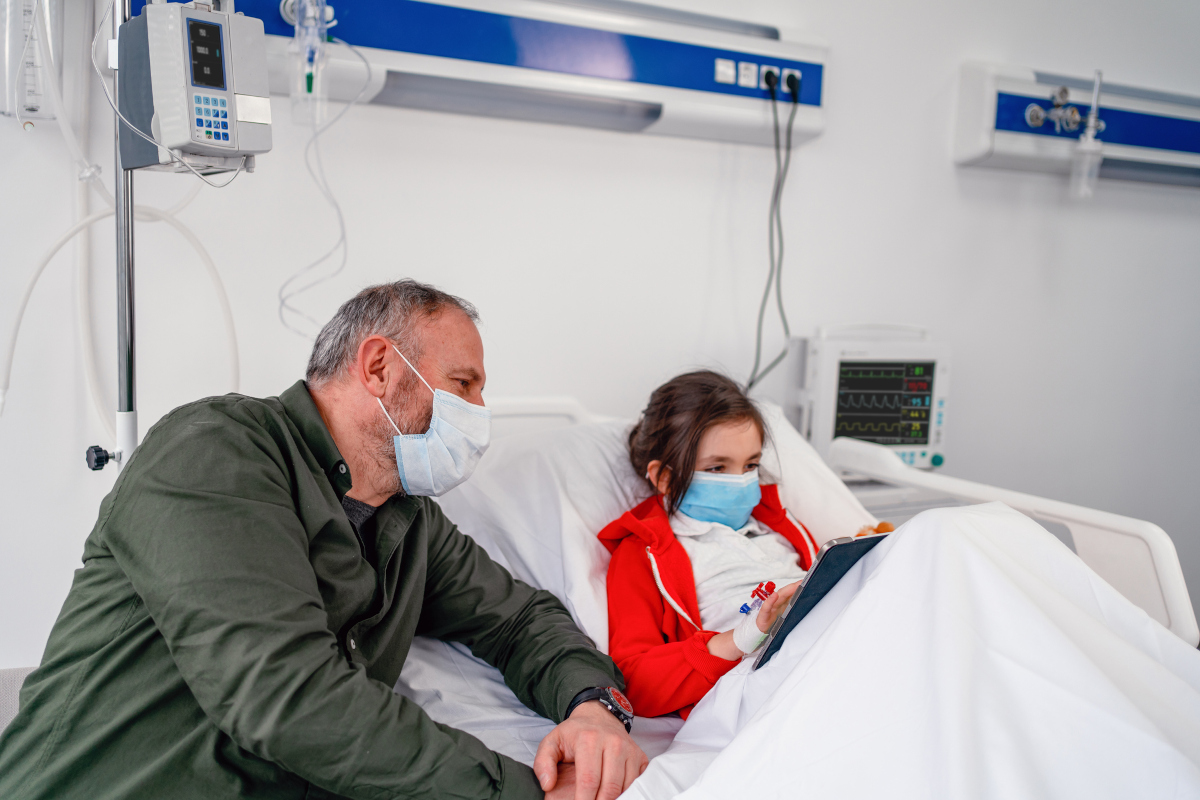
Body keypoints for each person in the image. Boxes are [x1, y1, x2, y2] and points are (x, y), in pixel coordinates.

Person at [0, 280, 647, 800]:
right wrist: (518, 792)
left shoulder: (409, 521)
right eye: (465, 384)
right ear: (378, 366)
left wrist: (593, 709)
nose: (480, 413)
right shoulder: (217, 452)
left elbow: (521, 620)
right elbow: (285, 693)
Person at [598, 371, 888, 718]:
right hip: (768, 677)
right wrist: (739, 638)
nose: (740, 480)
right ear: (665, 477)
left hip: (843, 640)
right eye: (718, 468)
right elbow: (634, 683)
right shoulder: (641, 553)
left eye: (751, 464)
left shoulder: (778, 525)